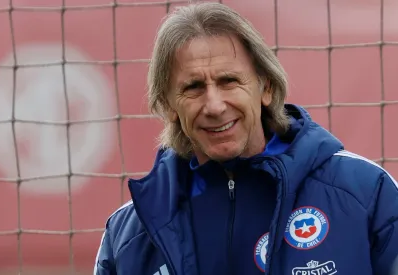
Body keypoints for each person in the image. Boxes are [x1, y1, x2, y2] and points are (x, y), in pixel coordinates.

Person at [93, 2, 398, 275]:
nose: (214, 106)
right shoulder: (129, 234)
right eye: (194, 87)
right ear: (170, 105)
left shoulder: (366, 192)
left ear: (265, 88)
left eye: (229, 81)